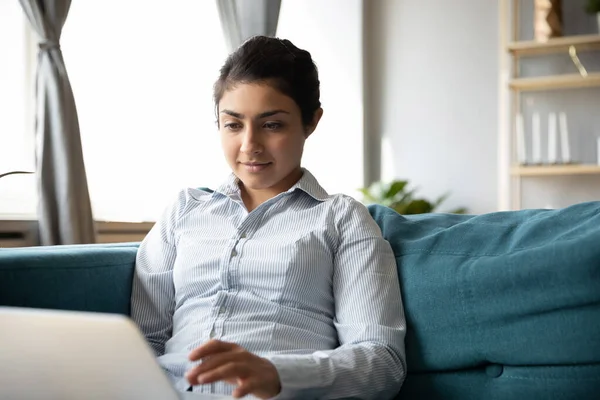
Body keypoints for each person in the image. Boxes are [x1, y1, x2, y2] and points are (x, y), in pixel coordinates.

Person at [130, 35, 406, 399]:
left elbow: (382, 361)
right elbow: (142, 342)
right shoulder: (185, 211)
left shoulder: (341, 220)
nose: (249, 145)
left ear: (311, 121)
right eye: (232, 125)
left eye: (272, 125)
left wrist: (278, 374)